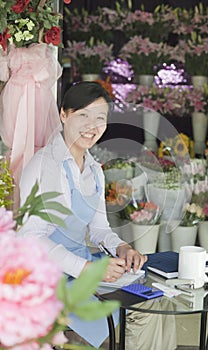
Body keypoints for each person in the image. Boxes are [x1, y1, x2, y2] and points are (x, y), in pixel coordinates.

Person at [19, 81, 176, 350]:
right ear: (64, 114)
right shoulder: (44, 165)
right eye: (83, 115)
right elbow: (31, 239)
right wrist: (89, 270)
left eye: (100, 118)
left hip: (84, 266)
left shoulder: (94, 170)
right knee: (139, 311)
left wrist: (123, 248)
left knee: (156, 298)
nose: (92, 125)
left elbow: (100, 228)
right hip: (48, 277)